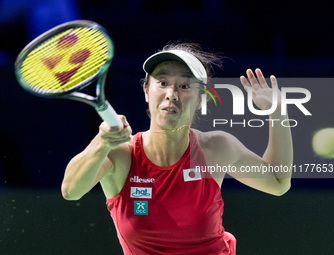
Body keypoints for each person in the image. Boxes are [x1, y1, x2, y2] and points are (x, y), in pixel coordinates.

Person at [61, 42, 293, 255]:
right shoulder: (122, 154)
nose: (171, 95)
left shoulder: (216, 148)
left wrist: (278, 112)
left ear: (200, 98)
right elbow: (71, 191)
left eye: (184, 86)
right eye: (162, 83)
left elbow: (277, 181)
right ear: (146, 91)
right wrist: (101, 143)